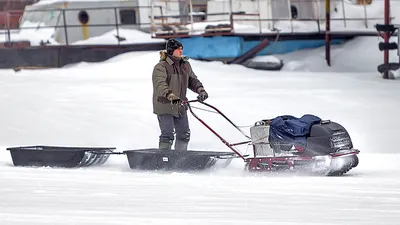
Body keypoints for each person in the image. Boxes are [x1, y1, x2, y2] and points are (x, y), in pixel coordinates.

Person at [152, 38, 208, 151]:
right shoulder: (161, 66)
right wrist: (171, 96)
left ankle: (179, 158)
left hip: (180, 104)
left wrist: (200, 90)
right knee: (167, 135)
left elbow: (192, 80)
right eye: (179, 49)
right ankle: (164, 158)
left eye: (182, 49)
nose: (181, 51)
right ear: (171, 50)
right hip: (165, 105)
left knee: (184, 133)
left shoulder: (185, 65)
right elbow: (160, 84)